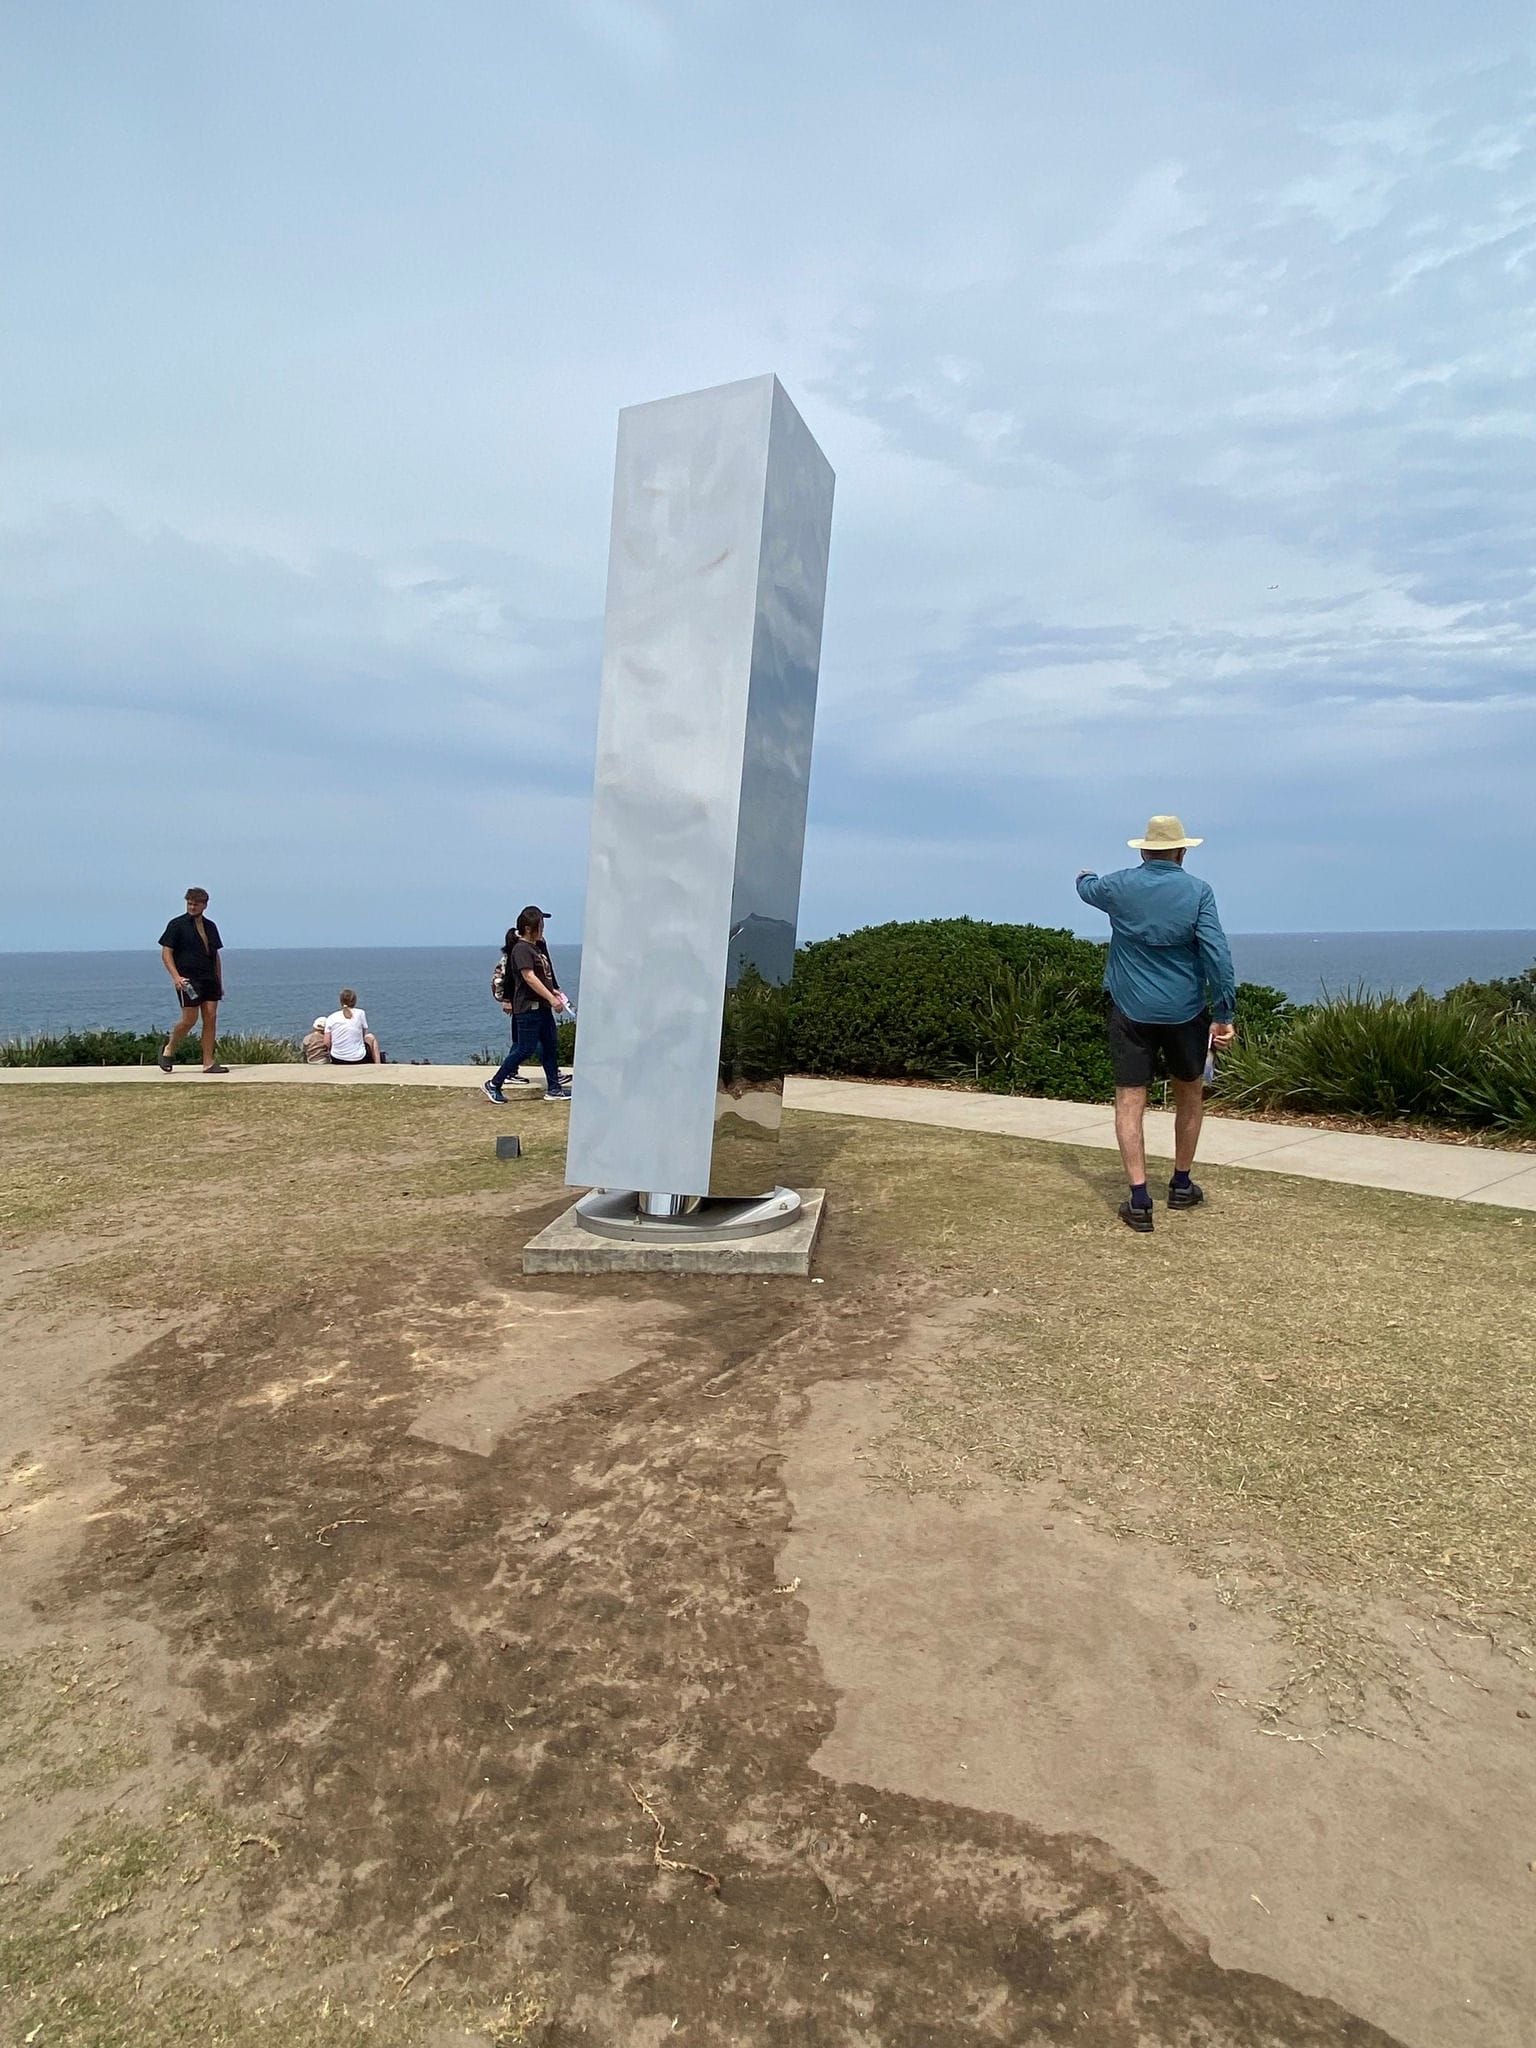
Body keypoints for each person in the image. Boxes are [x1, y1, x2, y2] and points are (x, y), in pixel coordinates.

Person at [1076, 815, 1236, 1234]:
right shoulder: (1199, 891)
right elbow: (1217, 954)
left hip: (1130, 1010)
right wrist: (1223, 1014)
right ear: (1181, 852)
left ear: (1144, 850)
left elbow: (1087, 889)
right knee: (1190, 1094)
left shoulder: (1118, 886)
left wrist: (1084, 875)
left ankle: (1140, 1198)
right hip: (1186, 1010)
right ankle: (1181, 1185)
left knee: (1130, 1101)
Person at [483, 906, 571, 1103]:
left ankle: (554, 1088)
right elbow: (529, 977)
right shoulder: (522, 949)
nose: (543, 928)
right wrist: (550, 998)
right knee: (525, 1049)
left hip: (542, 1009)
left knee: (549, 1046)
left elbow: (542, 975)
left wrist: (554, 991)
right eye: (540, 925)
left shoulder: (536, 947)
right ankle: (494, 1083)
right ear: (529, 928)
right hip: (528, 1009)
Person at [157, 887, 228, 1075]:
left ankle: (208, 1062)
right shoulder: (177, 925)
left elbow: (215, 955)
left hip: (209, 978)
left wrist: (219, 981)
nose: (192, 906)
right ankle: (169, 1048)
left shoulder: (211, 926)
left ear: (205, 905)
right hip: (188, 980)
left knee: (211, 1017)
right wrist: (175, 976)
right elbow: (166, 952)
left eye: (196, 903)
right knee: (189, 1019)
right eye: (189, 903)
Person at [323, 989, 382, 1066]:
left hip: (337, 1058)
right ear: (355, 1001)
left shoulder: (331, 1017)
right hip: (358, 1058)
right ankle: (378, 1065)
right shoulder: (360, 1013)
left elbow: (326, 1042)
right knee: (371, 1037)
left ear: (340, 1001)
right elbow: (363, 1035)